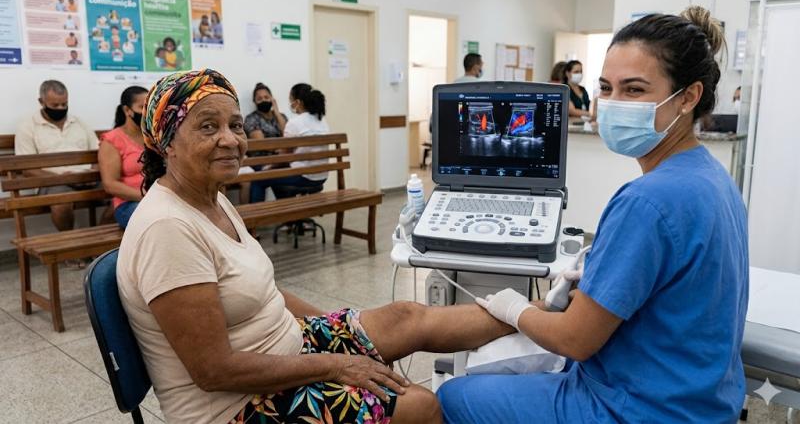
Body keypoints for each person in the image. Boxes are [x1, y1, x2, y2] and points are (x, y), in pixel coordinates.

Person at [116, 68, 514, 424]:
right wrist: (335, 365)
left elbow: (263, 291)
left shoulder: (212, 197)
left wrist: (342, 331)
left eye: (235, 125)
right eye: (207, 127)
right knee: (420, 406)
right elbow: (213, 371)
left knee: (405, 316)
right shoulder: (166, 228)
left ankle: (539, 319)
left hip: (285, 346)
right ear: (166, 142)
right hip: (236, 404)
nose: (229, 139)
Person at [438, 6, 748, 423]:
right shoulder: (713, 178)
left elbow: (575, 341)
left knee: (454, 395)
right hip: (702, 401)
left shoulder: (647, 201)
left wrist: (515, 308)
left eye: (634, 90)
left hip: (635, 409)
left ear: (689, 97)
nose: (614, 104)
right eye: (607, 87)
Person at [15, 80, 99, 237]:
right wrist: (63, 179)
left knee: (118, 192)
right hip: (52, 182)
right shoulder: (28, 127)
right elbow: (28, 169)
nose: (61, 109)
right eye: (55, 105)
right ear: (41, 102)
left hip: (86, 178)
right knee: (62, 203)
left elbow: (99, 154)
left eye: (64, 104)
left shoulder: (79, 123)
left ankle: (101, 246)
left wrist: (93, 173)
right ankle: (71, 248)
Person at [249, 83, 326, 203]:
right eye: (259, 98)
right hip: (322, 176)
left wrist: (268, 168)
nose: (291, 104)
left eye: (291, 100)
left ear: (298, 102)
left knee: (259, 180)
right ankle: (290, 216)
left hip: (303, 175)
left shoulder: (295, 122)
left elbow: (284, 157)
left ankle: (255, 219)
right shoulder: (321, 120)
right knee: (277, 174)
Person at [98, 86, 147, 228]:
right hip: (129, 204)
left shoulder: (155, 137)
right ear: (127, 110)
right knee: (158, 221)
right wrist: (147, 196)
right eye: (142, 107)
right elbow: (110, 184)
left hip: (161, 200)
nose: (147, 113)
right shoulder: (112, 139)